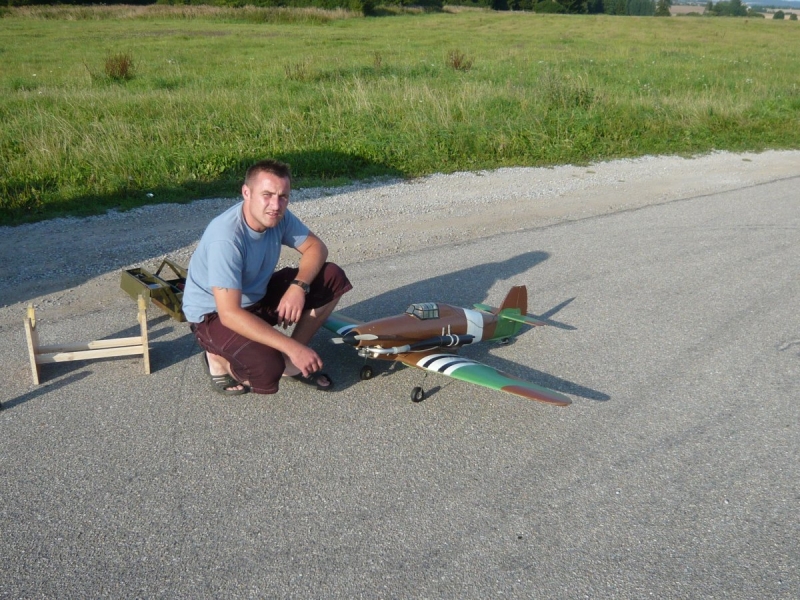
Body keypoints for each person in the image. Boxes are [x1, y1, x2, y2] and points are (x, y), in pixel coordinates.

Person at [182, 159, 352, 396]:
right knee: (266, 369)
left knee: (332, 277)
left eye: (283, 196)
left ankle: (291, 362)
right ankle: (217, 359)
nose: (276, 205)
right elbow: (230, 313)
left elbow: (317, 248)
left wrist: (298, 288)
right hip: (215, 315)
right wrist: (292, 346)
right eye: (267, 194)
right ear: (246, 193)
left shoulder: (278, 215)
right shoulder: (226, 239)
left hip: (255, 298)